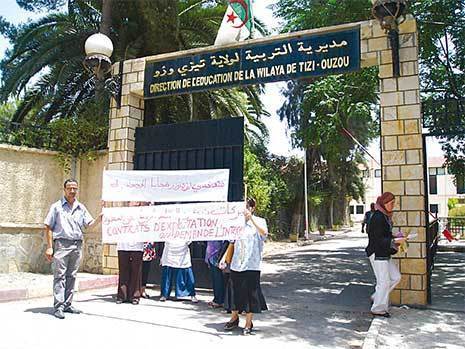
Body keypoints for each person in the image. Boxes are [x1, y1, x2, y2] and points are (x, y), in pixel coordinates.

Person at [44, 178, 102, 319]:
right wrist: (50, 247)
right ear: (64, 190)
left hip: (77, 245)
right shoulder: (56, 207)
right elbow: (48, 226)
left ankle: (68, 304)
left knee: (72, 276)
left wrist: (100, 219)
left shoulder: (81, 207)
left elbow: (88, 225)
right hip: (61, 244)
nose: (72, 191)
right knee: (60, 276)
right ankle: (59, 306)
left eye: (74, 188)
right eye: (69, 188)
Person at [224, 198, 268, 335]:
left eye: (247, 208)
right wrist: (224, 259)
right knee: (234, 291)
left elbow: (264, 233)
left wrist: (251, 220)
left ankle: (248, 323)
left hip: (252, 264)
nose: (244, 211)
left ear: (252, 208)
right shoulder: (235, 224)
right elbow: (231, 243)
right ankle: (234, 317)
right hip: (237, 264)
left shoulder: (260, 221)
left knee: (250, 294)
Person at [365, 192, 406, 318]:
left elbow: (384, 236)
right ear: (384, 203)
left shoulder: (384, 216)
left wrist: (395, 238)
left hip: (383, 253)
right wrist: (393, 241)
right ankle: (378, 308)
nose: (392, 205)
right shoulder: (378, 217)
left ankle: (377, 297)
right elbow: (377, 238)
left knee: (396, 277)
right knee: (383, 281)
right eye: (391, 203)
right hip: (377, 254)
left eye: (393, 203)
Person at [116, 201, 144, 305]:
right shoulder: (121, 212)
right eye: (133, 200)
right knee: (123, 269)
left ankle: (135, 296)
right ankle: (122, 295)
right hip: (123, 244)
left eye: (137, 200)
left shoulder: (144, 214)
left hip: (137, 245)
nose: (135, 202)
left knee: (136, 271)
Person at [205, 240, 227, 308]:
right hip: (212, 254)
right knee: (216, 279)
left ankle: (219, 300)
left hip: (218, 255)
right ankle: (217, 299)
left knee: (218, 279)